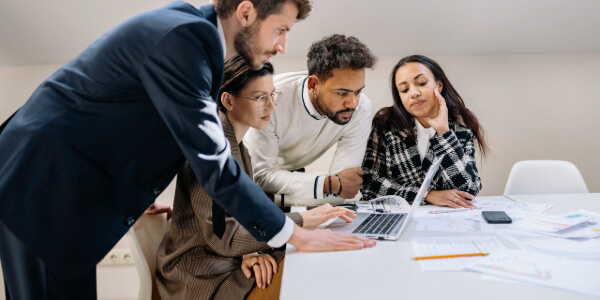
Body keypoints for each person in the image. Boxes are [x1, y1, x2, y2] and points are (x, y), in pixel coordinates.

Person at [0, 1, 374, 299]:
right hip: (41, 182)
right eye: (281, 30)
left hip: (61, 183)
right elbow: (213, 165)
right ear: (246, 13)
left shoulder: (194, 41)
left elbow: (127, 122)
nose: (282, 45)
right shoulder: (185, 38)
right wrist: (297, 234)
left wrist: (130, 190)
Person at [155, 55, 357, 300]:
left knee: (303, 259)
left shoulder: (237, 146)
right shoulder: (213, 150)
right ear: (228, 100)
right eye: (260, 98)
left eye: (273, 96)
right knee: (303, 265)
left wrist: (250, 252)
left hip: (224, 258)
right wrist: (302, 220)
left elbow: (241, 215)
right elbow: (223, 236)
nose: (271, 107)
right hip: (200, 275)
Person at [244, 34, 377, 207]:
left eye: (358, 91)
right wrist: (328, 184)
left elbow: (343, 188)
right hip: (241, 178)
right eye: (342, 93)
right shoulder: (270, 99)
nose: (353, 103)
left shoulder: (362, 109)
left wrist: (278, 200)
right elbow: (259, 176)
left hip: (289, 180)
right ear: (313, 85)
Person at [361, 55, 488, 208]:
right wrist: (426, 195)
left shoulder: (461, 128)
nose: (413, 93)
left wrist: (444, 133)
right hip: (395, 218)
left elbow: (468, 191)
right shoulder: (386, 124)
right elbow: (369, 183)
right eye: (404, 89)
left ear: (439, 86)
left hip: (442, 221)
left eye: (421, 83)